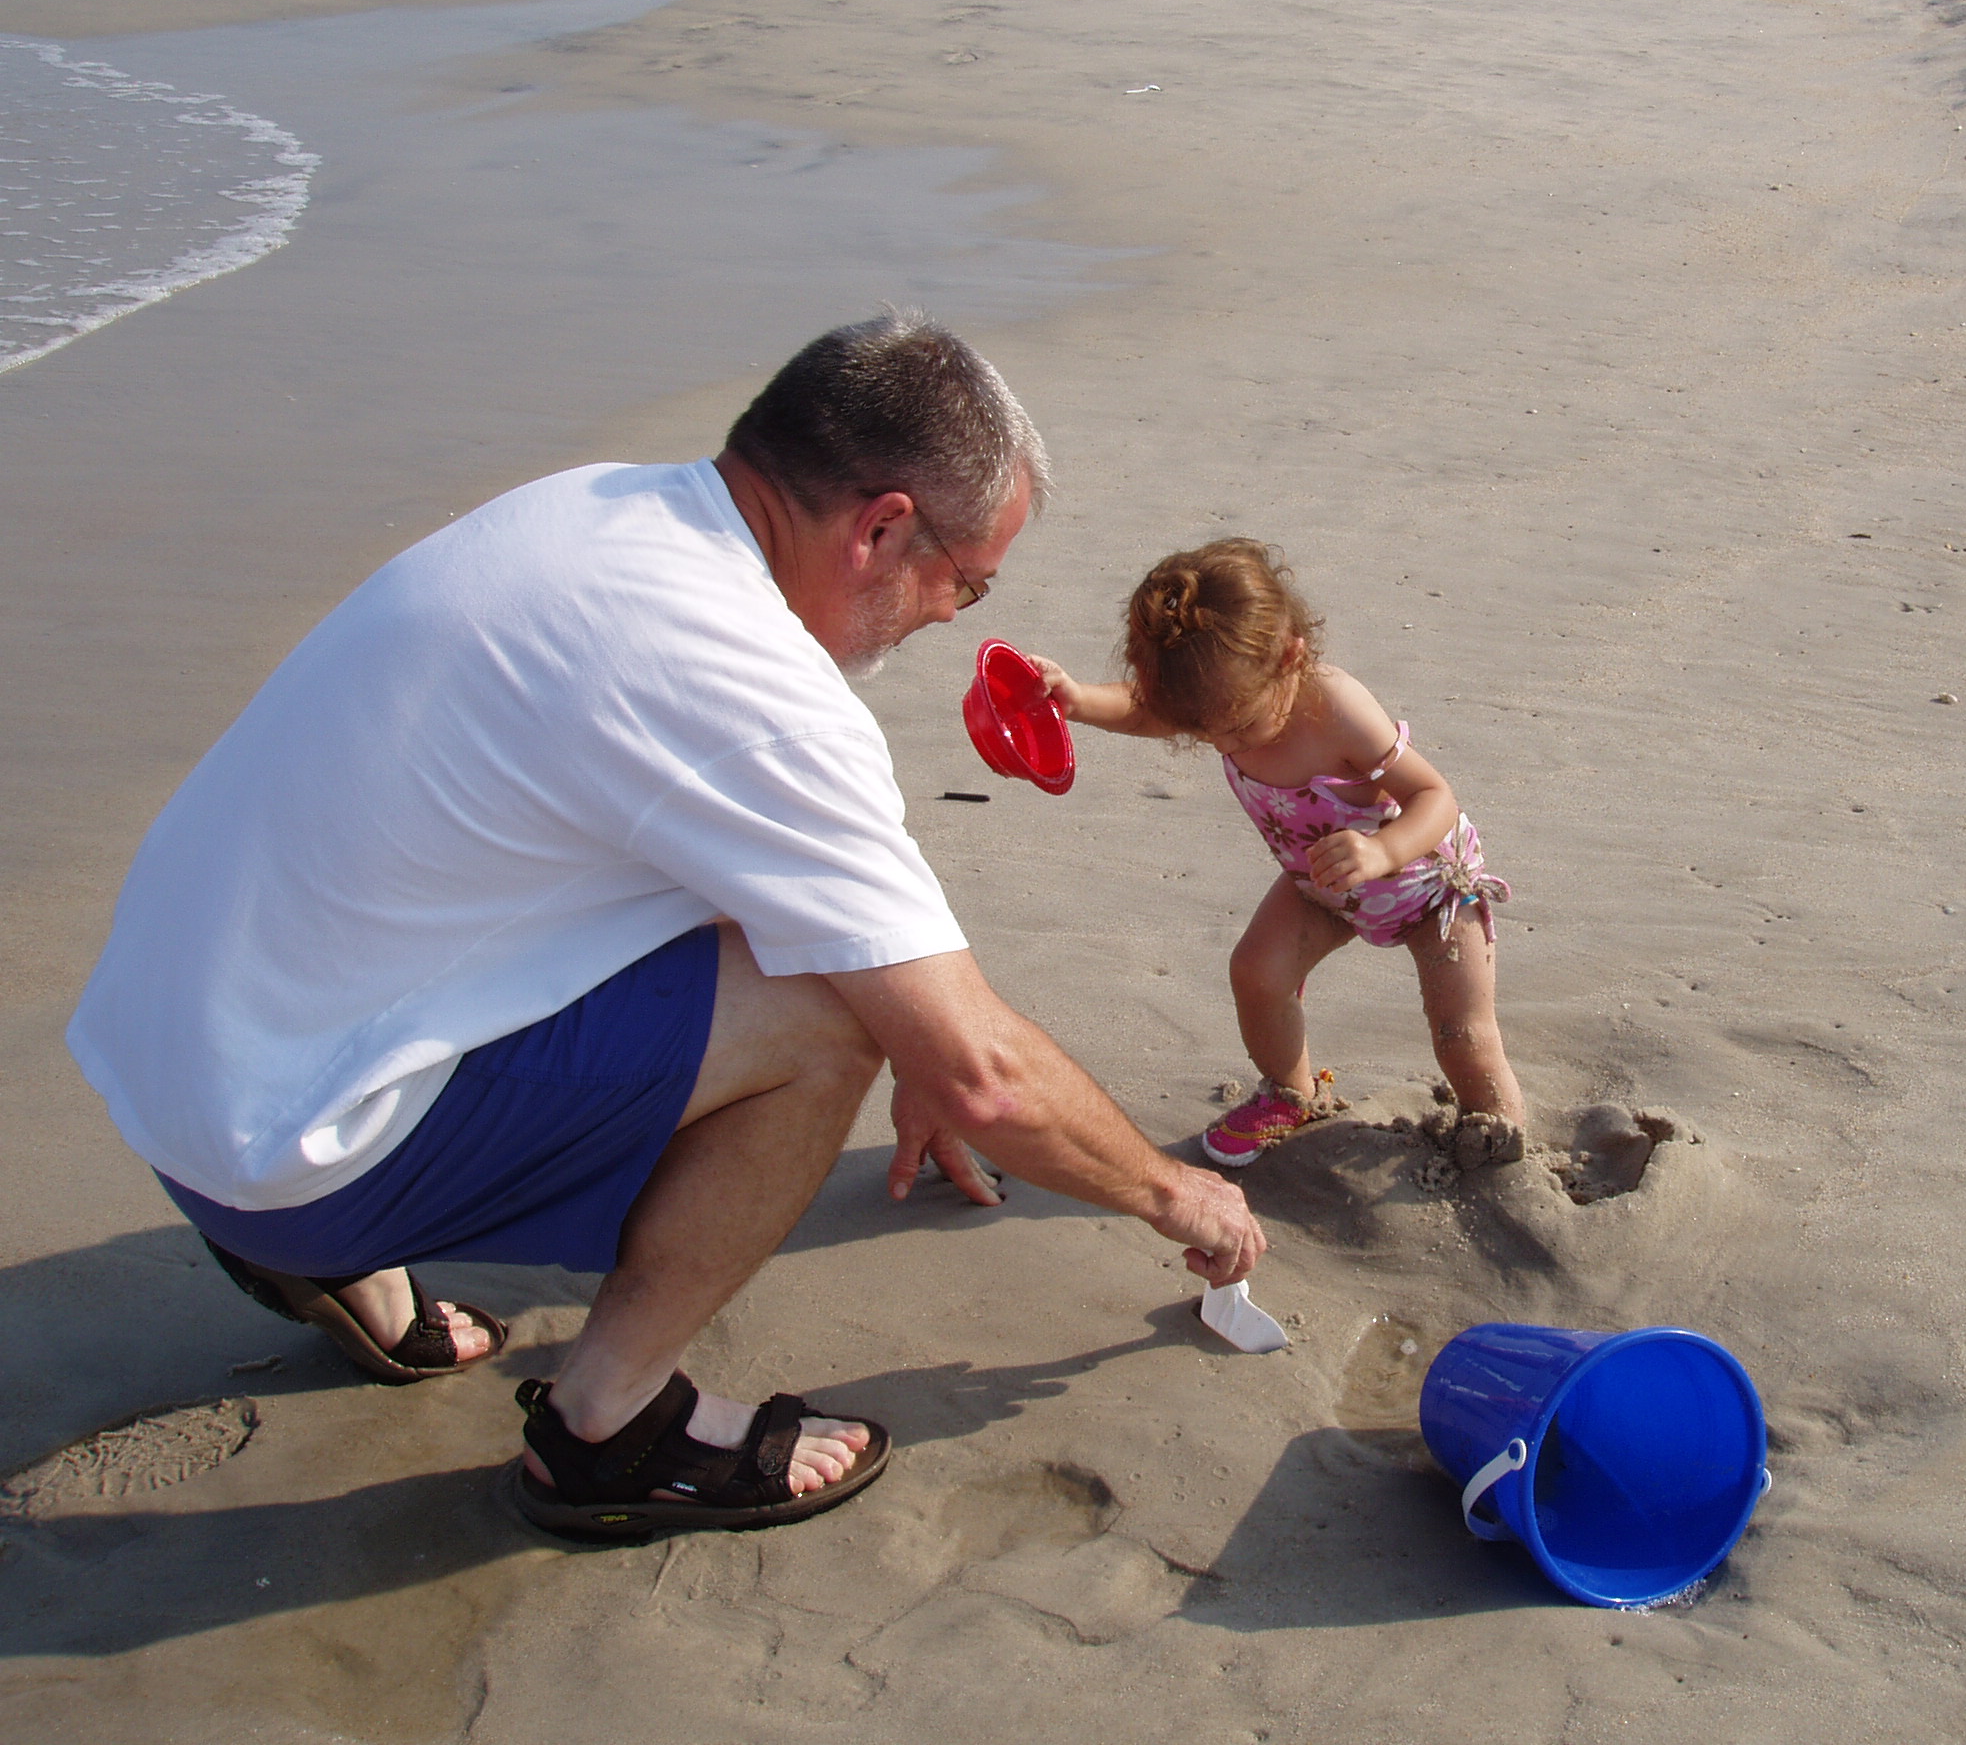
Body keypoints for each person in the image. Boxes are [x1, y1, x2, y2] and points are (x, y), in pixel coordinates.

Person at [67, 313, 1265, 1540]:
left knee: (795, 950)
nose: (956, 613)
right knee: (824, 1016)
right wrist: (1174, 1193)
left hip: (173, 1071)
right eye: (968, 580)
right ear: (881, 529)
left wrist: (926, 1032)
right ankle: (610, 1426)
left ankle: (332, 1255)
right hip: (277, 1156)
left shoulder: (591, 508)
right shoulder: (750, 686)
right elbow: (987, 1078)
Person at [1030, 537, 1528, 1170]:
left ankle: (1501, 1144)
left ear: (1290, 657)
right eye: (1204, 731)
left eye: (1238, 728)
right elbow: (1146, 711)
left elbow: (1436, 798)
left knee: (1462, 1035)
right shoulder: (1223, 698)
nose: (1222, 744)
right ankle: (1291, 1094)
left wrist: (1381, 851)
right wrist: (1077, 700)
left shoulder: (1336, 709)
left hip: (1428, 886)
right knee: (1256, 974)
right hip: (1320, 885)